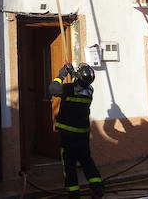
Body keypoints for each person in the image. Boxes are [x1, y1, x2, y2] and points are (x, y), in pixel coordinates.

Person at [50, 63, 103, 199]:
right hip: (83, 135)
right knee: (86, 161)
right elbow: (80, 85)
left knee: (69, 165)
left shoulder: (68, 89)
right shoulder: (89, 90)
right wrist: (74, 73)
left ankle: (73, 194)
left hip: (68, 136)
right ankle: (97, 189)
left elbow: (53, 89)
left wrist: (62, 74)